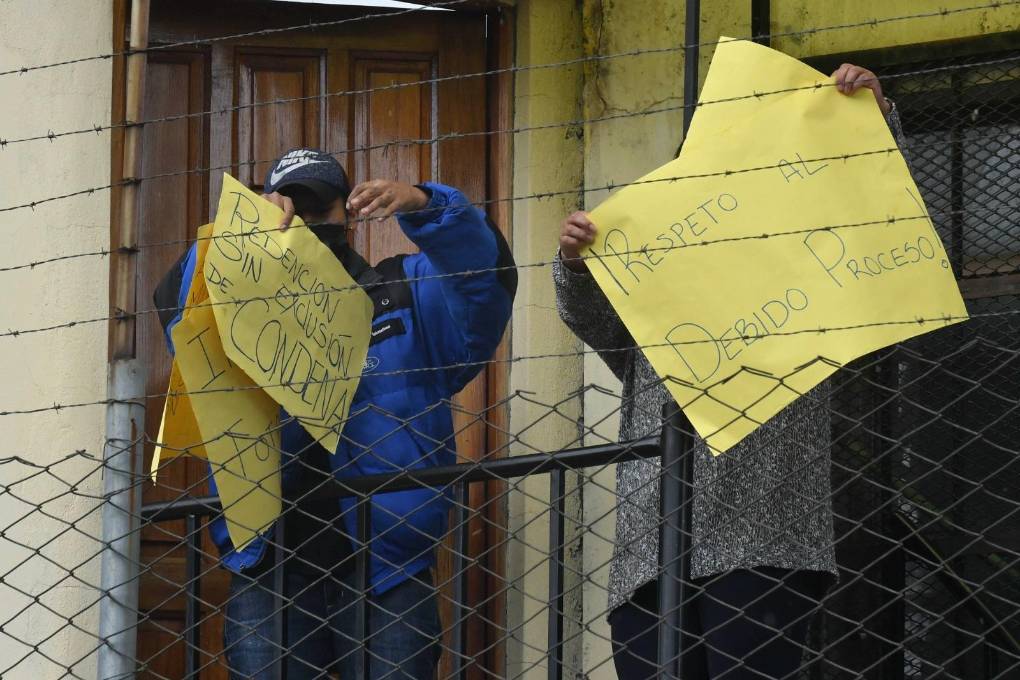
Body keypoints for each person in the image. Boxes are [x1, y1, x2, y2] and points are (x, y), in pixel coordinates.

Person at [553, 65, 906, 679]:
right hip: (651, 546)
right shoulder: (660, 259)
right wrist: (578, 263)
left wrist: (873, 123)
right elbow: (602, 329)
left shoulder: (807, 261)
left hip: (763, 531)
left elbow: (878, 219)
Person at [155, 148, 516, 679]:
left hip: (388, 565)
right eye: (289, 208)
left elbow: (485, 280)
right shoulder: (235, 308)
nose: (301, 221)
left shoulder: (404, 294)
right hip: (269, 562)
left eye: (316, 208)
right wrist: (239, 237)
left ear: (346, 213)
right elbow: (176, 312)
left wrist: (424, 202)